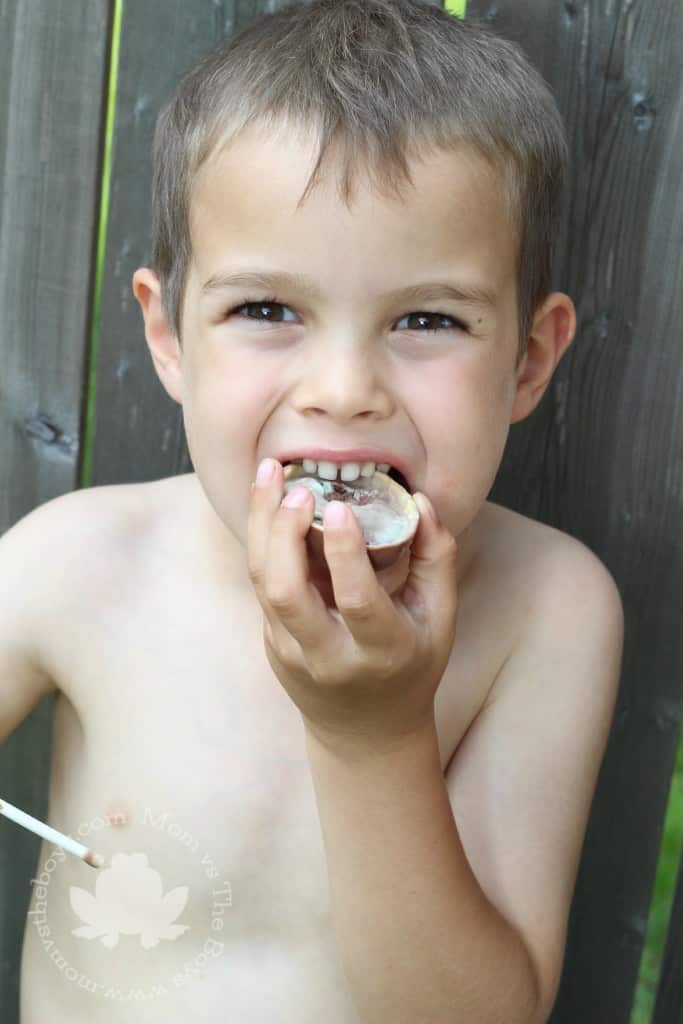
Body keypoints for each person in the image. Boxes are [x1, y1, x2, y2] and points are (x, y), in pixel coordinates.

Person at [2, 1, 624, 1020]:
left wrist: (372, 738)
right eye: (267, 310)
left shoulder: (547, 609)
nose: (342, 388)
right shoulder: (78, 563)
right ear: (169, 338)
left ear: (527, 359)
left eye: (426, 319)